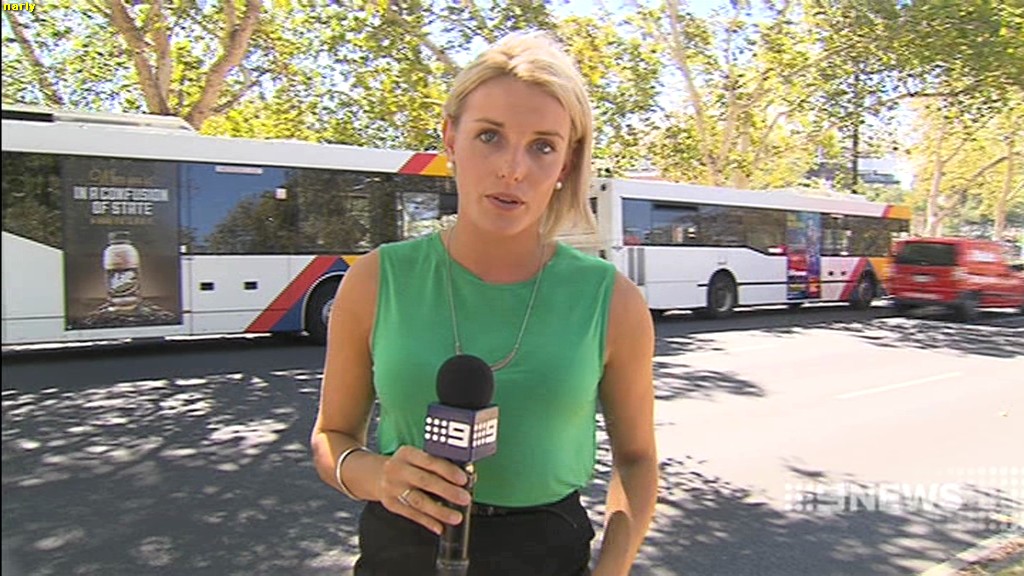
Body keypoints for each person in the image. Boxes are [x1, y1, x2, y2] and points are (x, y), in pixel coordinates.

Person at [310, 30, 657, 576]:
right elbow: (331, 438)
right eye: (490, 136)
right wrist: (376, 476)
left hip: (547, 555)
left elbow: (636, 460)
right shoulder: (376, 280)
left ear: (567, 163)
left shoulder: (612, 301)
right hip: (399, 552)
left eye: (543, 146)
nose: (512, 169)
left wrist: (612, 569)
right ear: (450, 138)